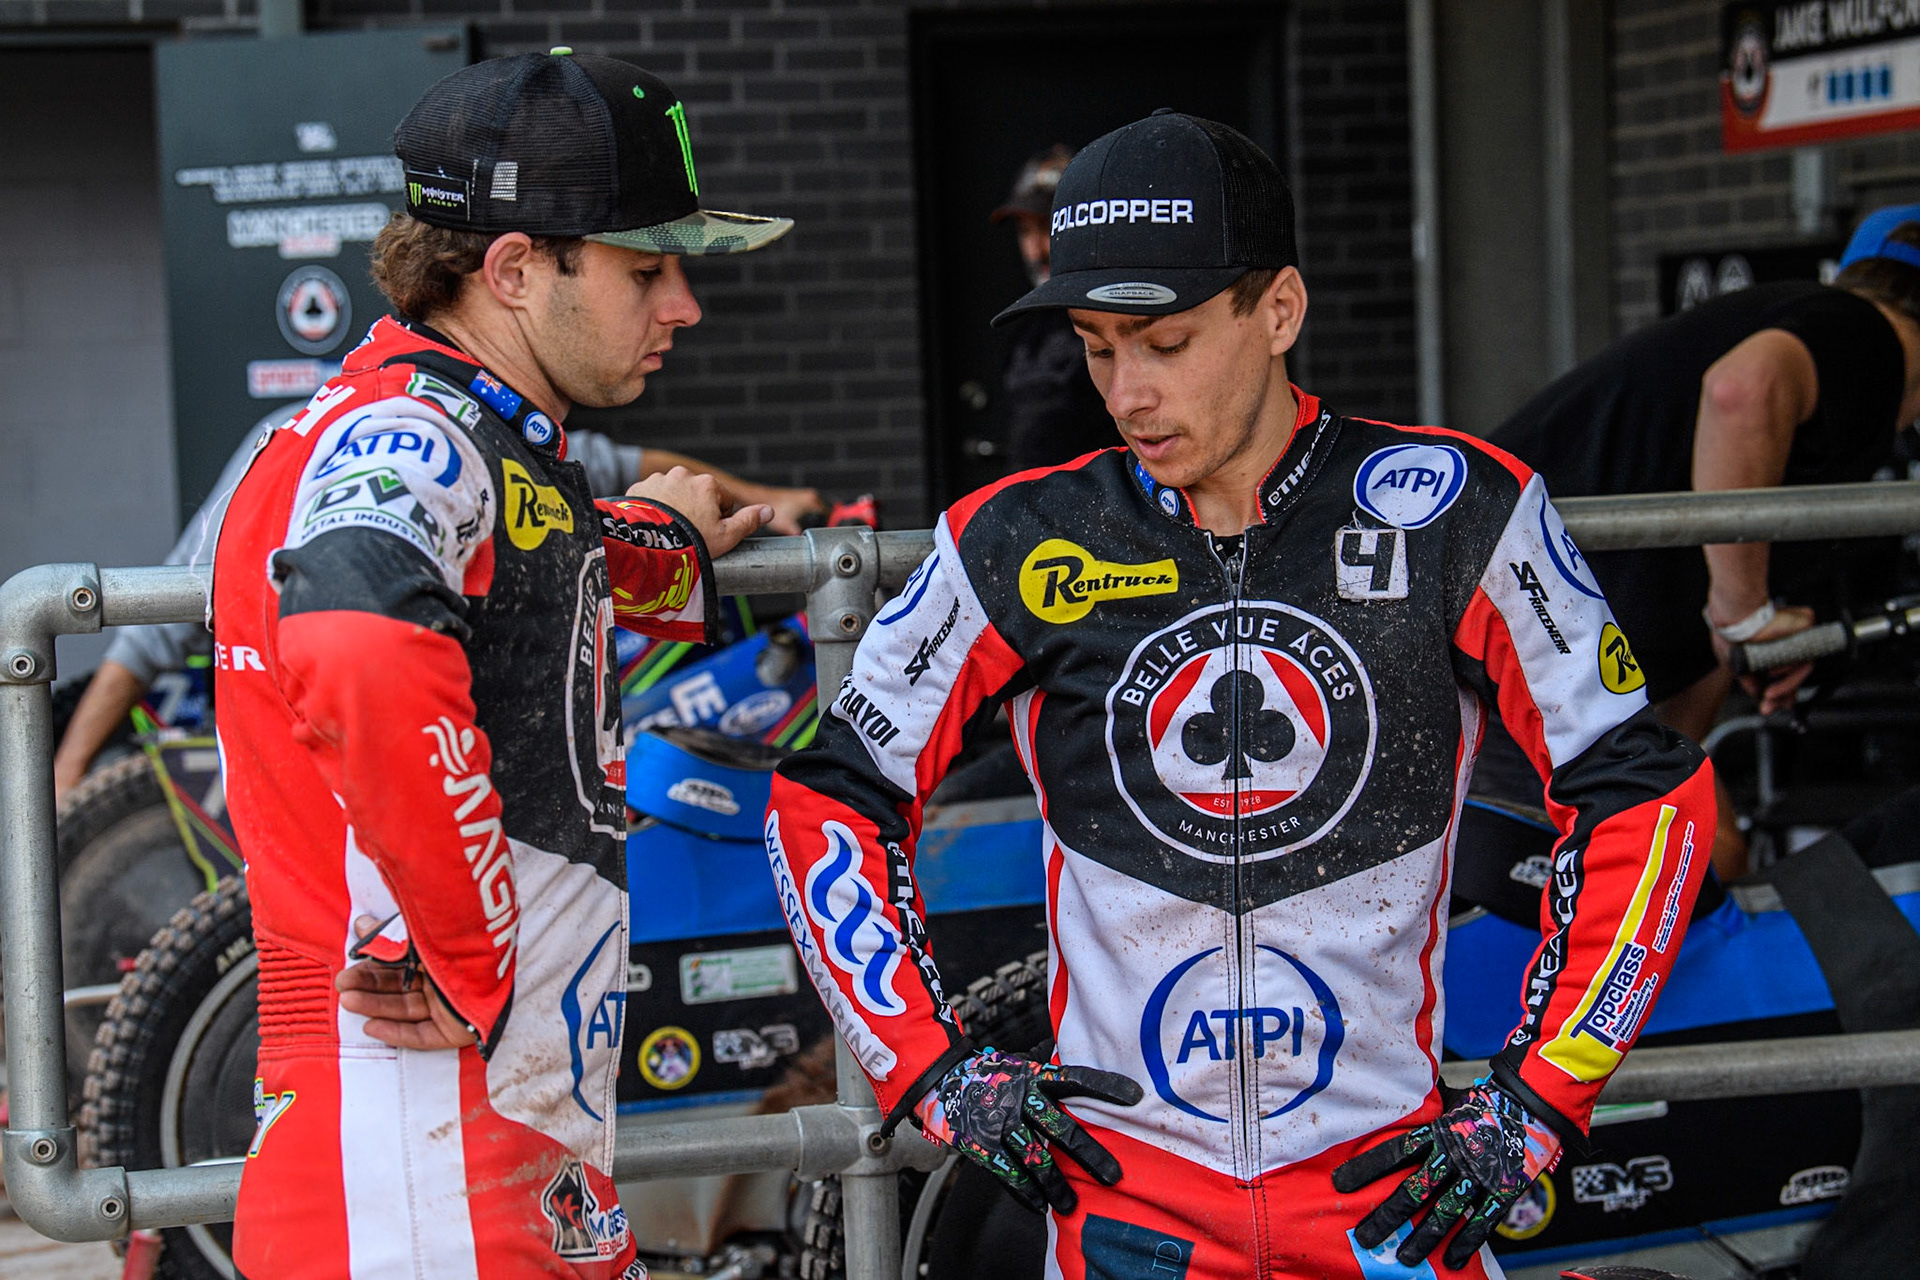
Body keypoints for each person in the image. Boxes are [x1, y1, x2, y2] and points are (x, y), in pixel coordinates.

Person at [766, 110, 1714, 1277]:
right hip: (1126, 1210)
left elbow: (1645, 799)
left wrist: (1540, 1096)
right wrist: (932, 1068)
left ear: (1279, 312)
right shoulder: (1018, 537)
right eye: (1097, 345)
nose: (1125, 391)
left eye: (1164, 341)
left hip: (1388, 1205)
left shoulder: (1458, 509)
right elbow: (825, 799)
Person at [212, 50, 789, 1278]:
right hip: (421, 1154)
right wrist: (468, 949)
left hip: (466, 1140)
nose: (682, 305)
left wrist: (664, 550)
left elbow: (522, 557)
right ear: (518, 268)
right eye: (648, 268)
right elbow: (359, 640)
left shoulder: (448, 425)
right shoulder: (410, 434)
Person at [1477, 206, 1920, 879]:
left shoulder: (1842, 383)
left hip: (1541, 644)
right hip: (1511, 636)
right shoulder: (1867, 332)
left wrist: (1747, 639)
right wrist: (1747, 611)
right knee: (1676, 871)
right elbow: (1743, 391)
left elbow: (1693, 638)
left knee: (1703, 859)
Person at [53, 424, 821, 800]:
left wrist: (759, 503)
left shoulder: (507, 426)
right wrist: (67, 771)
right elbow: (150, 629)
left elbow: (636, 466)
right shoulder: (286, 448)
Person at [990, 144, 1118, 473]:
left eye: (1046, 226)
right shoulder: (1028, 327)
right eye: (1024, 231)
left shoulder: (1122, 318)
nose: (1035, 250)